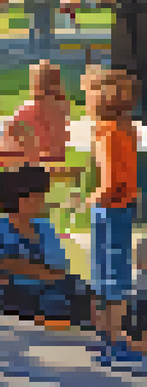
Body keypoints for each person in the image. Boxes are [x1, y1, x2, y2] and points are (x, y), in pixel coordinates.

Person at [0, 165, 94, 330]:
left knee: (77, 288)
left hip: (44, 286)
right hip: (12, 293)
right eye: (37, 198)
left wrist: (20, 267)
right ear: (19, 200)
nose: (42, 203)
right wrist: (22, 268)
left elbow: (59, 267)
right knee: (59, 295)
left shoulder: (44, 227)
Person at [85, 66, 143, 365]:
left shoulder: (105, 132)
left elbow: (110, 180)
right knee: (116, 273)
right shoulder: (128, 128)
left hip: (108, 208)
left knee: (106, 275)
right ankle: (112, 338)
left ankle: (110, 338)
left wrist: (92, 198)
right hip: (124, 207)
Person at [0, 60, 71, 165]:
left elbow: (10, 130)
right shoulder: (63, 107)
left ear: (36, 84)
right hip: (55, 156)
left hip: (32, 156)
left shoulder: (34, 107)